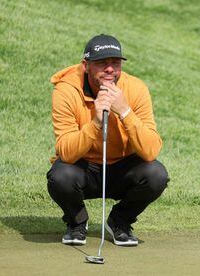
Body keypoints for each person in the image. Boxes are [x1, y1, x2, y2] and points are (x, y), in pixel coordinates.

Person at [46, 34, 169, 246]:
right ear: (86, 65)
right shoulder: (65, 90)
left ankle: (119, 221)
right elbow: (65, 151)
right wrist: (95, 122)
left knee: (156, 174)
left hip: (124, 168)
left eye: (115, 62)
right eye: (102, 63)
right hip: (83, 168)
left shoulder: (136, 89)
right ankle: (77, 222)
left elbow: (150, 150)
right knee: (60, 176)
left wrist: (125, 111)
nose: (110, 69)